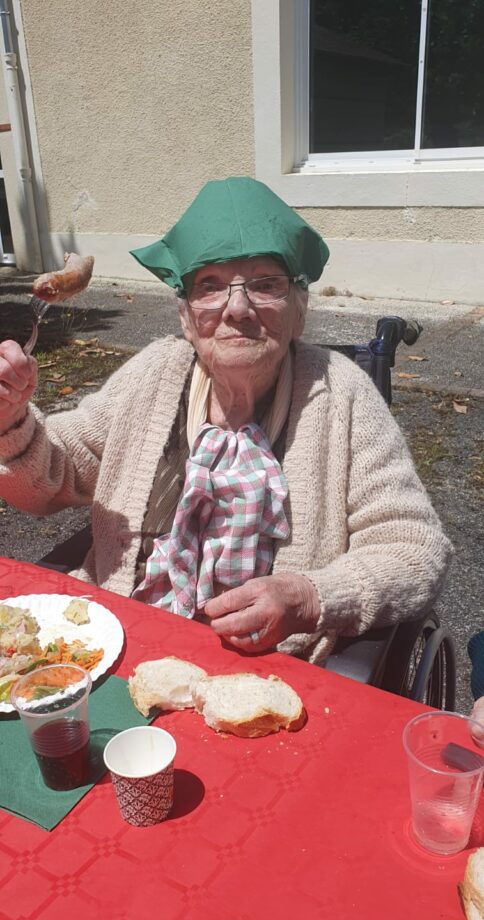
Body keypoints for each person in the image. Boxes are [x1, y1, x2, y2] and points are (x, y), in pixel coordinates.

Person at [0, 176, 452, 664]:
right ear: (186, 317)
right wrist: (11, 421)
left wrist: (311, 596)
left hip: (268, 668)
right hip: (117, 641)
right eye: (210, 286)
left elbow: (413, 546)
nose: (237, 308)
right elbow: (52, 476)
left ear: (298, 310)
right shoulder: (154, 373)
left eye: (265, 284)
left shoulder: (342, 393)